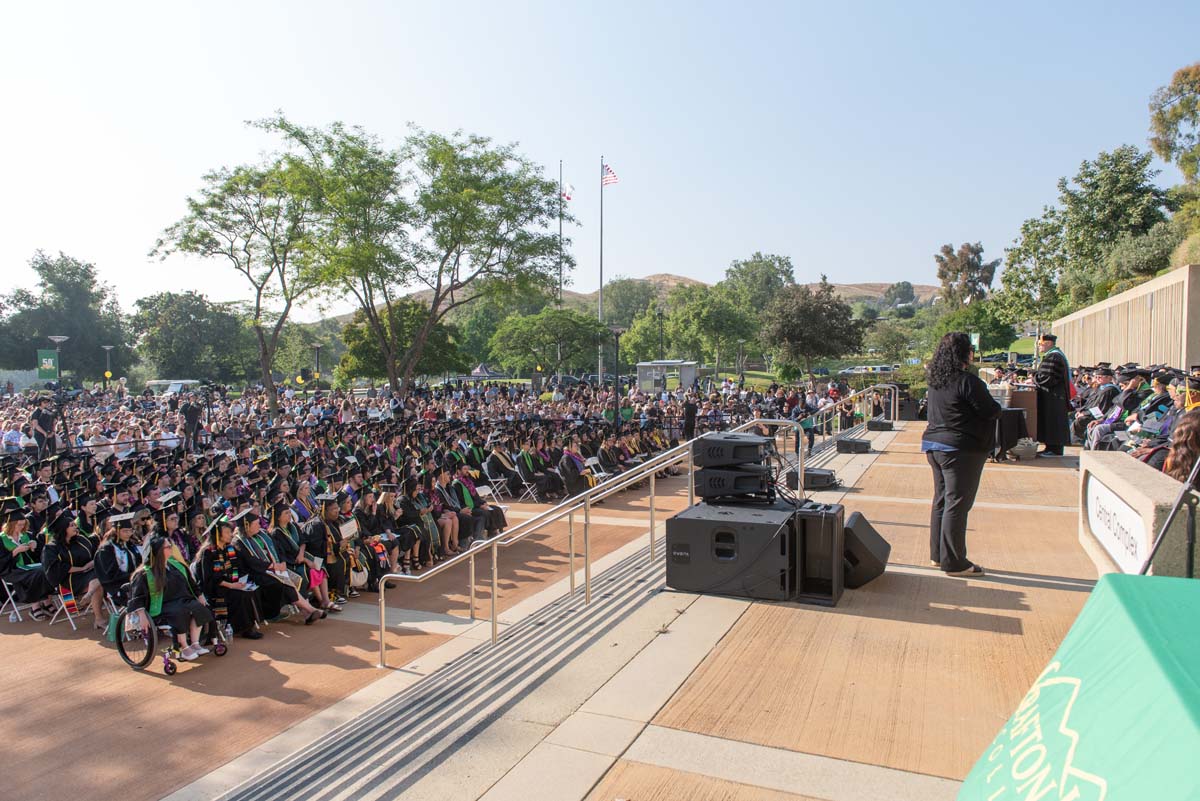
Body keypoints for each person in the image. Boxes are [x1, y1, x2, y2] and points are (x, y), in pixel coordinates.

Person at [922, 332, 1001, 577]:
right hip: (961, 450)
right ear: (965, 353)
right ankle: (954, 562)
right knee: (957, 504)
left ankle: (939, 555)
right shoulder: (968, 382)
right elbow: (990, 411)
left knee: (942, 501)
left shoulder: (936, 382)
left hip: (934, 446)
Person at [127, 535, 214, 661]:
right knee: (179, 612)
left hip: (183, 600)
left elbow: (191, 583)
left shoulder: (177, 565)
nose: (171, 549)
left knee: (199, 608)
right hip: (162, 605)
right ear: (158, 551)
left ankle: (195, 644)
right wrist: (141, 614)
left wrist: (200, 595)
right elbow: (137, 596)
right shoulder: (145, 573)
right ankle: (184, 647)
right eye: (168, 547)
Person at [193, 518, 265, 639]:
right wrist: (231, 585)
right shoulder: (208, 553)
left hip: (231, 584)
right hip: (215, 589)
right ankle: (245, 628)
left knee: (252, 590)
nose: (230, 535)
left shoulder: (229, 549)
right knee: (239, 595)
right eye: (227, 532)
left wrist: (240, 582)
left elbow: (237, 568)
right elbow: (209, 579)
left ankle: (249, 624)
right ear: (218, 534)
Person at [1033, 333, 1070, 457]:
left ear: (1048, 343)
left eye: (1040, 344)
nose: (1039, 347)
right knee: (1052, 421)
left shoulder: (1054, 357)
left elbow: (1047, 378)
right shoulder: (1055, 355)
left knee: (1053, 421)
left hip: (1054, 397)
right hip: (1054, 396)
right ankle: (1051, 447)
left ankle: (1054, 449)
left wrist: (1033, 377)